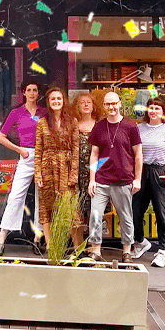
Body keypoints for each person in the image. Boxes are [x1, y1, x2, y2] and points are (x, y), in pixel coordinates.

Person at [87, 91, 142, 263]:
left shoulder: (130, 126)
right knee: (95, 215)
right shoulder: (99, 127)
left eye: (114, 103)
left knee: (125, 217)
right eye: (107, 104)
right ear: (103, 106)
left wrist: (137, 179)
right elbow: (94, 154)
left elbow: (138, 154)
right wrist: (92, 179)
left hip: (123, 180)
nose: (111, 107)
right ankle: (95, 250)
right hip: (101, 180)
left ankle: (126, 252)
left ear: (120, 104)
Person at [130, 97, 165, 268]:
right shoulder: (139, 128)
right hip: (142, 172)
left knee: (162, 212)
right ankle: (140, 242)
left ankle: (162, 251)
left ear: (163, 112)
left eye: (157, 108)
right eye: (151, 108)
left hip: (161, 172)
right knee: (135, 210)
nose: (153, 111)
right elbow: (132, 153)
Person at [0, 81, 47, 256]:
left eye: (35, 90)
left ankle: (38, 238)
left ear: (38, 93)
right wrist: (19, 150)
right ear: (23, 93)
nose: (32, 93)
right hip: (25, 156)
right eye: (29, 90)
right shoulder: (16, 113)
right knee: (15, 197)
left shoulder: (44, 113)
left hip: (43, 157)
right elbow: (1, 137)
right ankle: (1, 239)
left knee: (42, 199)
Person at [34, 87, 79, 250]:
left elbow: (76, 150)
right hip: (47, 167)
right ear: (48, 102)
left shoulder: (72, 121)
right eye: (53, 99)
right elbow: (38, 149)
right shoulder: (42, 122)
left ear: (63, 101)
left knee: (69, 207)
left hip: (66, 168)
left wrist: (73, 175)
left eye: (59, 98)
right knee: (46, 207)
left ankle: (76, 246)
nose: (56, 101)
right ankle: (50, 245)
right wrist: (38, 174)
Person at [71, 92, 101, 249]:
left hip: (94, 173)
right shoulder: (72, 125)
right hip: (76, 173)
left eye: (89, 102)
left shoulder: (100, 126)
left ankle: (93, 245)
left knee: (94, 209)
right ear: (77, 106)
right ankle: (78, 246)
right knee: (76, 210)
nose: (86, 104)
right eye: (82, 102)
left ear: (93, 106)